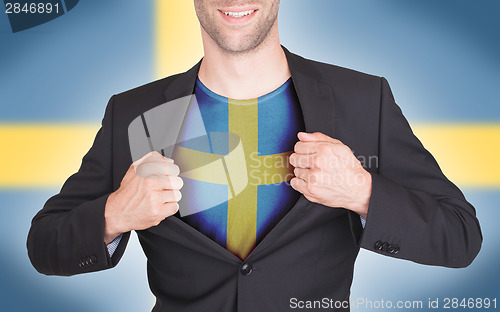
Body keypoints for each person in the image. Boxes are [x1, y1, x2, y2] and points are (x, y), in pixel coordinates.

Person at [27, 1, 482, 311]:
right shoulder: (135, 112)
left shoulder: (362, 100)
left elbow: (460, 236)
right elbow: (44, 245)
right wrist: (114, 214)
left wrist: (363, 192)